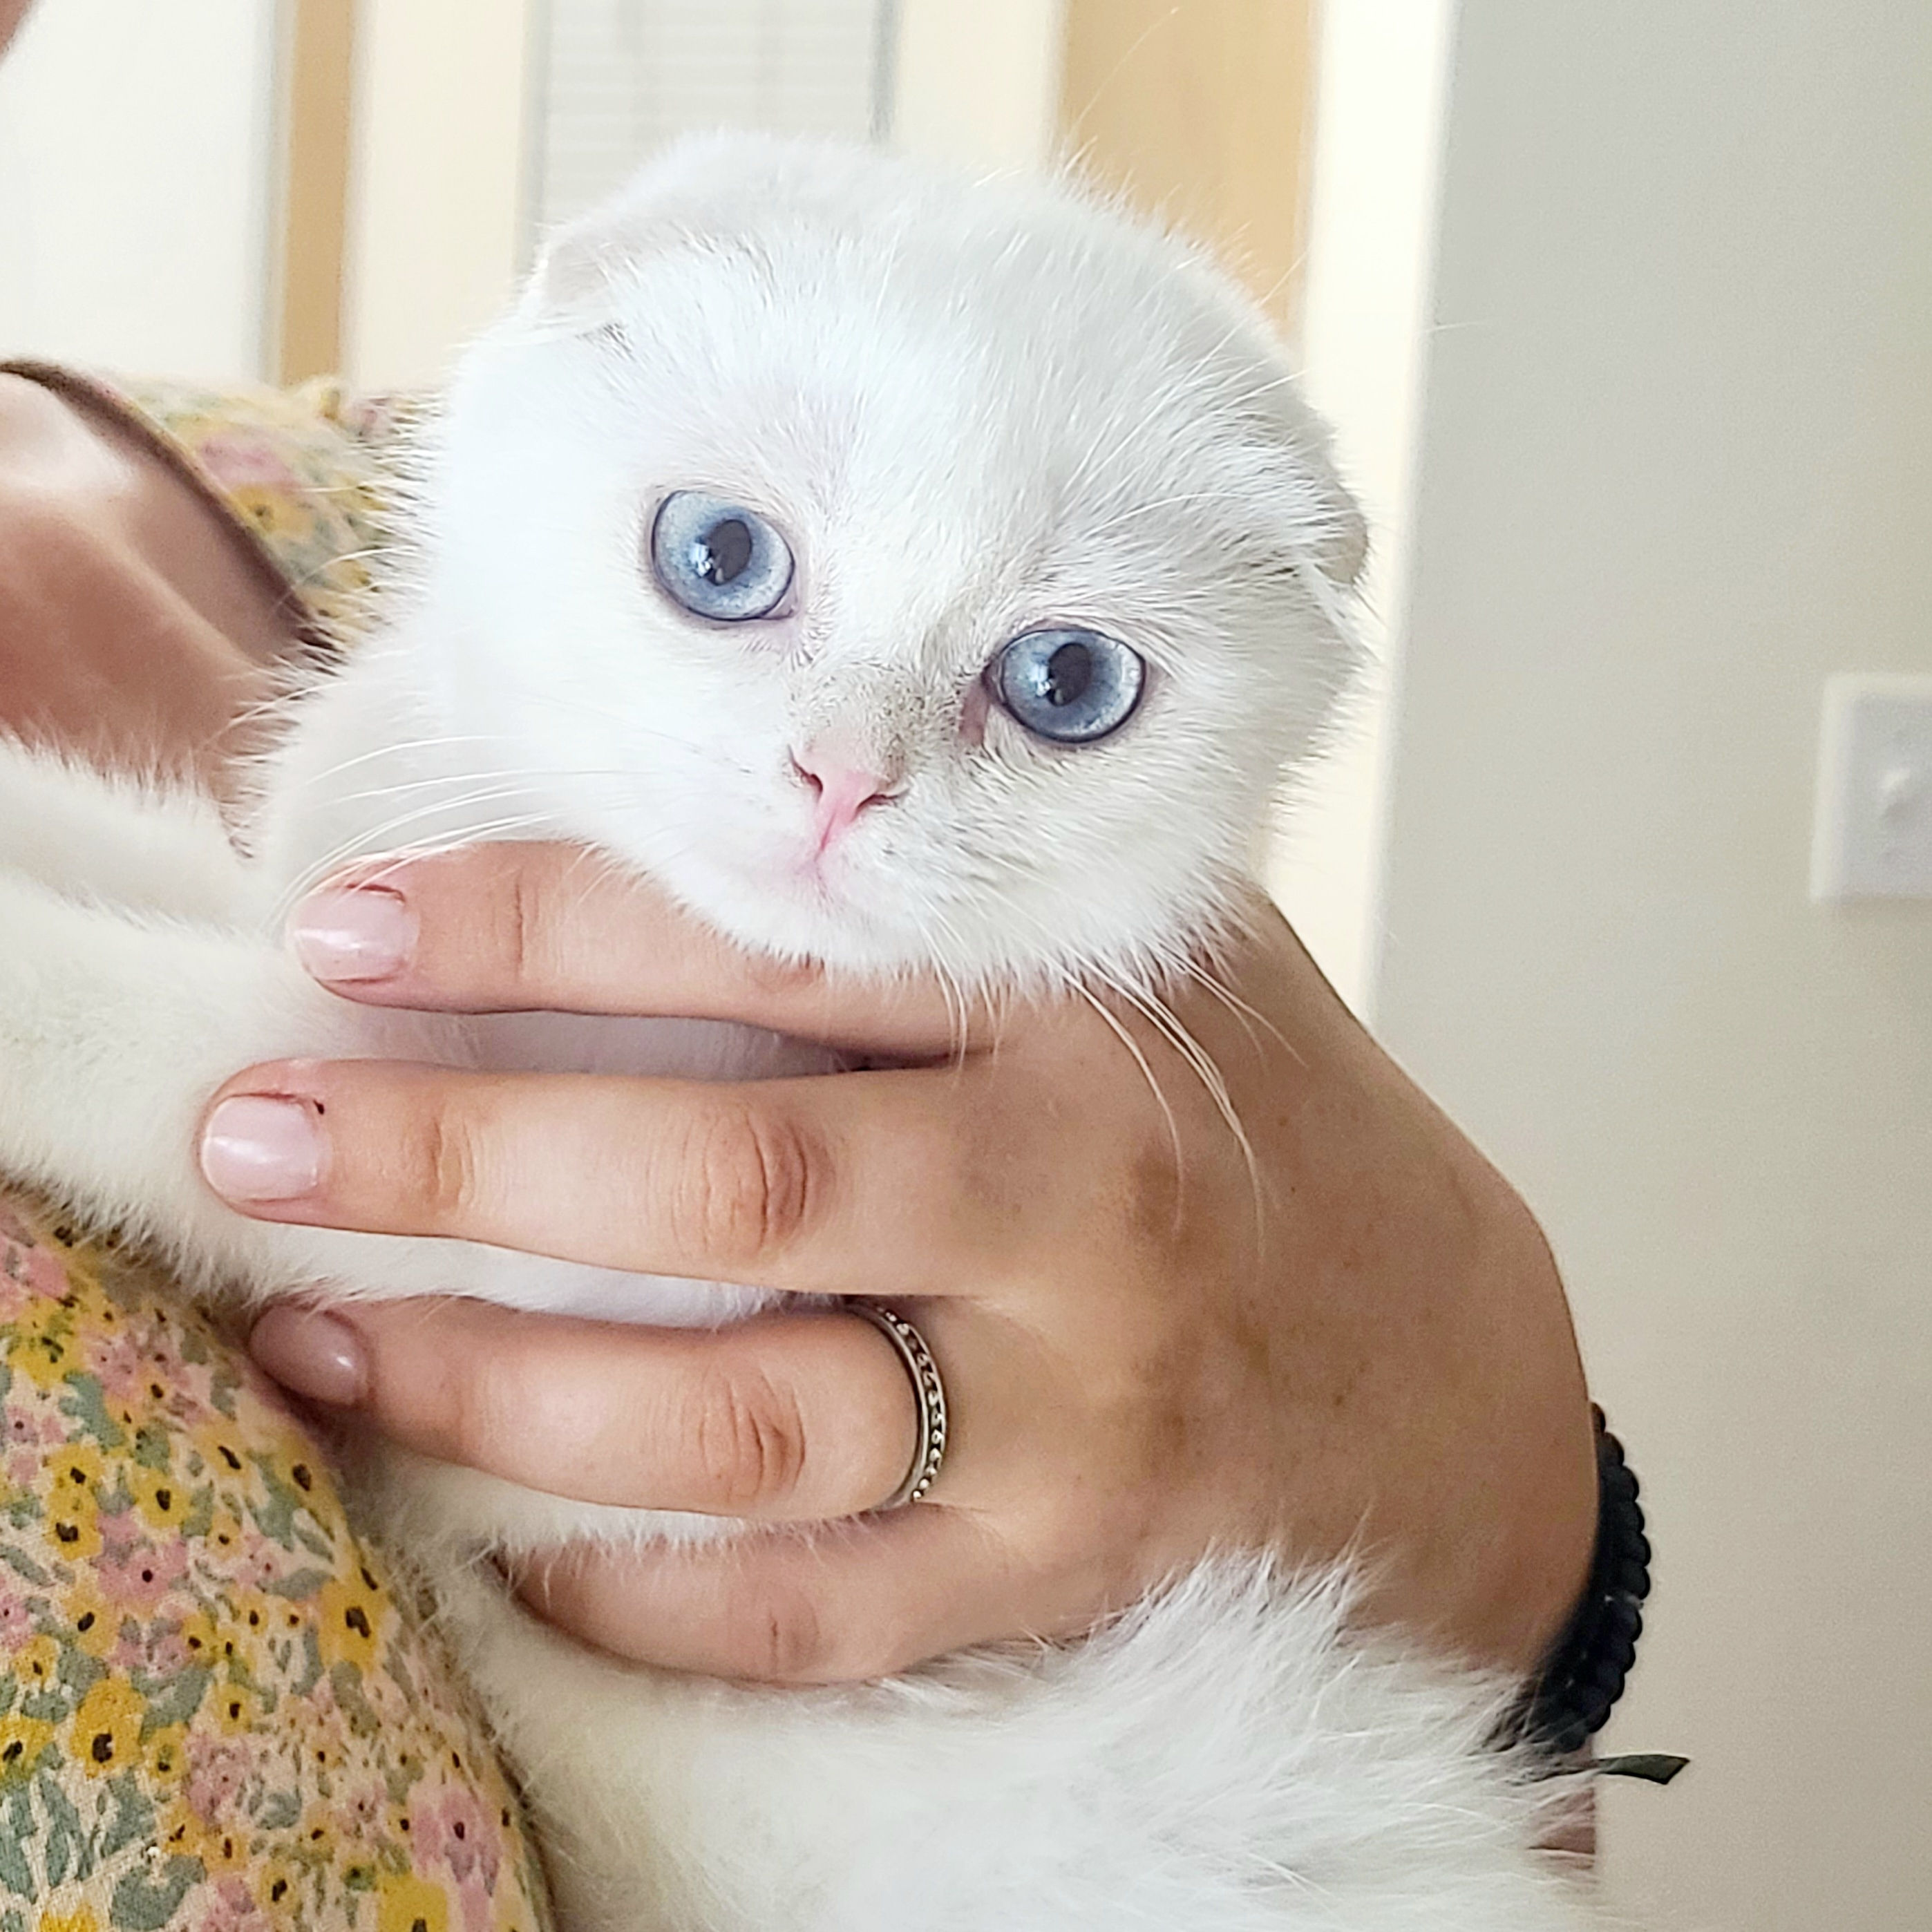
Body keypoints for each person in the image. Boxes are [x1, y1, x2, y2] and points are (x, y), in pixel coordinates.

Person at [0, 17, 1599, 1919]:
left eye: (1060, 682)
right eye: (727, 560)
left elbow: (345, 1123)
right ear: (545, 370)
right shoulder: (446, 701)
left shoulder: (1108, 1110)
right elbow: (358, 1106)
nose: (849, 764)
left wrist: (1525, 1510)